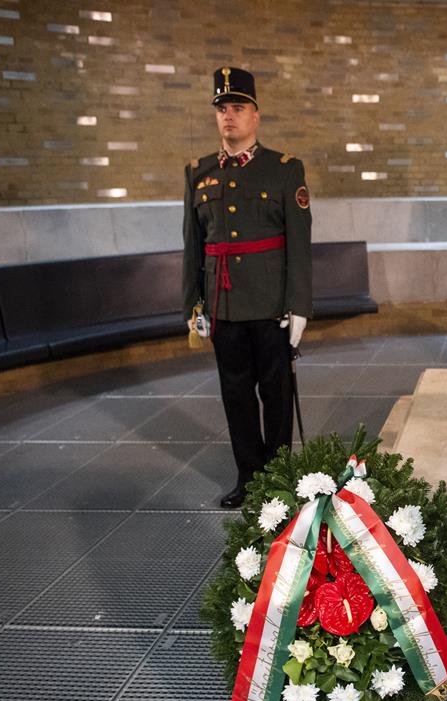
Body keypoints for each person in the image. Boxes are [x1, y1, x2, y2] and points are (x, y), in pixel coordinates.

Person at [182, 67, 314, 508]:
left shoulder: (284, 169)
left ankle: (278, 480)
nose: (229, 115)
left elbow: (299, 243)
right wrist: (193, 305)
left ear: (255, 115)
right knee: (235, 397)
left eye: (238, 107)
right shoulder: (198, 172)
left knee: (276, 397)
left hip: (271, 305)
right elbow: (193, 245)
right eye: (222, 108)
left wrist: (299, 306)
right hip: (223, 307)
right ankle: (250, 479)